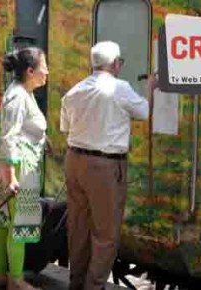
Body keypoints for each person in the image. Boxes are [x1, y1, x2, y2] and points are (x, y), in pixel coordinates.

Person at [60, 41, 158, 290]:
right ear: (115, 64)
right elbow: (144, 112)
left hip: (74, 161)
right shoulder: (120, 88)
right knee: (105, 234)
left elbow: (65, 129)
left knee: (78, 228)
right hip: (104, 167)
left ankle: (76, 282)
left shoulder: (74, 91)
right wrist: (150, 88)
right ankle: (93, 287)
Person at [0, 47, 49, 290]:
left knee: (0, 223)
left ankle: (0, 275)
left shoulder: (20, 92)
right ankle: (16, 279)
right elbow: (9, 137)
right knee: (18, 224)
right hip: (16, 169)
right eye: (44, 67)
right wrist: (12, 177)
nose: (47, 72)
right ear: (30, 71)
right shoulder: (19, 96)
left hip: (5, 166)